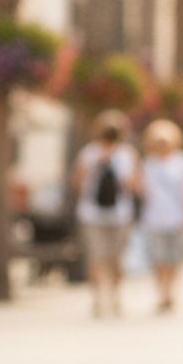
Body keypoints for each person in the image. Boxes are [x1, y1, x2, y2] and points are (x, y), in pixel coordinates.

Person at [71, 110, 142, 317]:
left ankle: (114, 296)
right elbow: (77, 182)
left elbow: (134, 186)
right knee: (96, 258)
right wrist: (95, 167)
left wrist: (118, 172)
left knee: (115, 259)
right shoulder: (89, 153)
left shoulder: (127, 154)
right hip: (93, 214)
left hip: (119, 214)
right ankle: (98, 299)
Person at [140, 119, 183, 312]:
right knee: (158, 258)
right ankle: (162, 292)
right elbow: (142, 190)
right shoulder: (148, 164)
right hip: (154, 218)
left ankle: (171, 290)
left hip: (176, 217)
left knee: (174, 258)